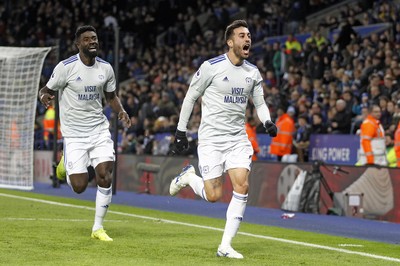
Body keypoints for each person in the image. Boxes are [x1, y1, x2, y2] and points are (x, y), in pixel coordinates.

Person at [168, 20, 277, 259]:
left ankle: (225, 246)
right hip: (211, 140)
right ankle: (188, 177)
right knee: (213, 195)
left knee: (242, 185)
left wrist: (267, 121)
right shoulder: (211, 67)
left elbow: (259, 103)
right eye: (241, 35)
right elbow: (190, 97)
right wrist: (180, 131)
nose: (247, 39)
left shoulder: (252, 73)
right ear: (230, 42)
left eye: (248, 35)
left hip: (237, 139)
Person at [39, 25, 131, 241]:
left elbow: (111, 97)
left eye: (95, 38)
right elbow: (46, 90)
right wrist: (44, 97)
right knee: (79, 186)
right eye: (87, 39)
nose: (93, 42)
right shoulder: (65, 67)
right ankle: (66, 164)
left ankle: (98, 228)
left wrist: (122, 111)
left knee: (104, 175)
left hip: (98, 130)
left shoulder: (106, 69)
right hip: (74, 135)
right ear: (78, 44)